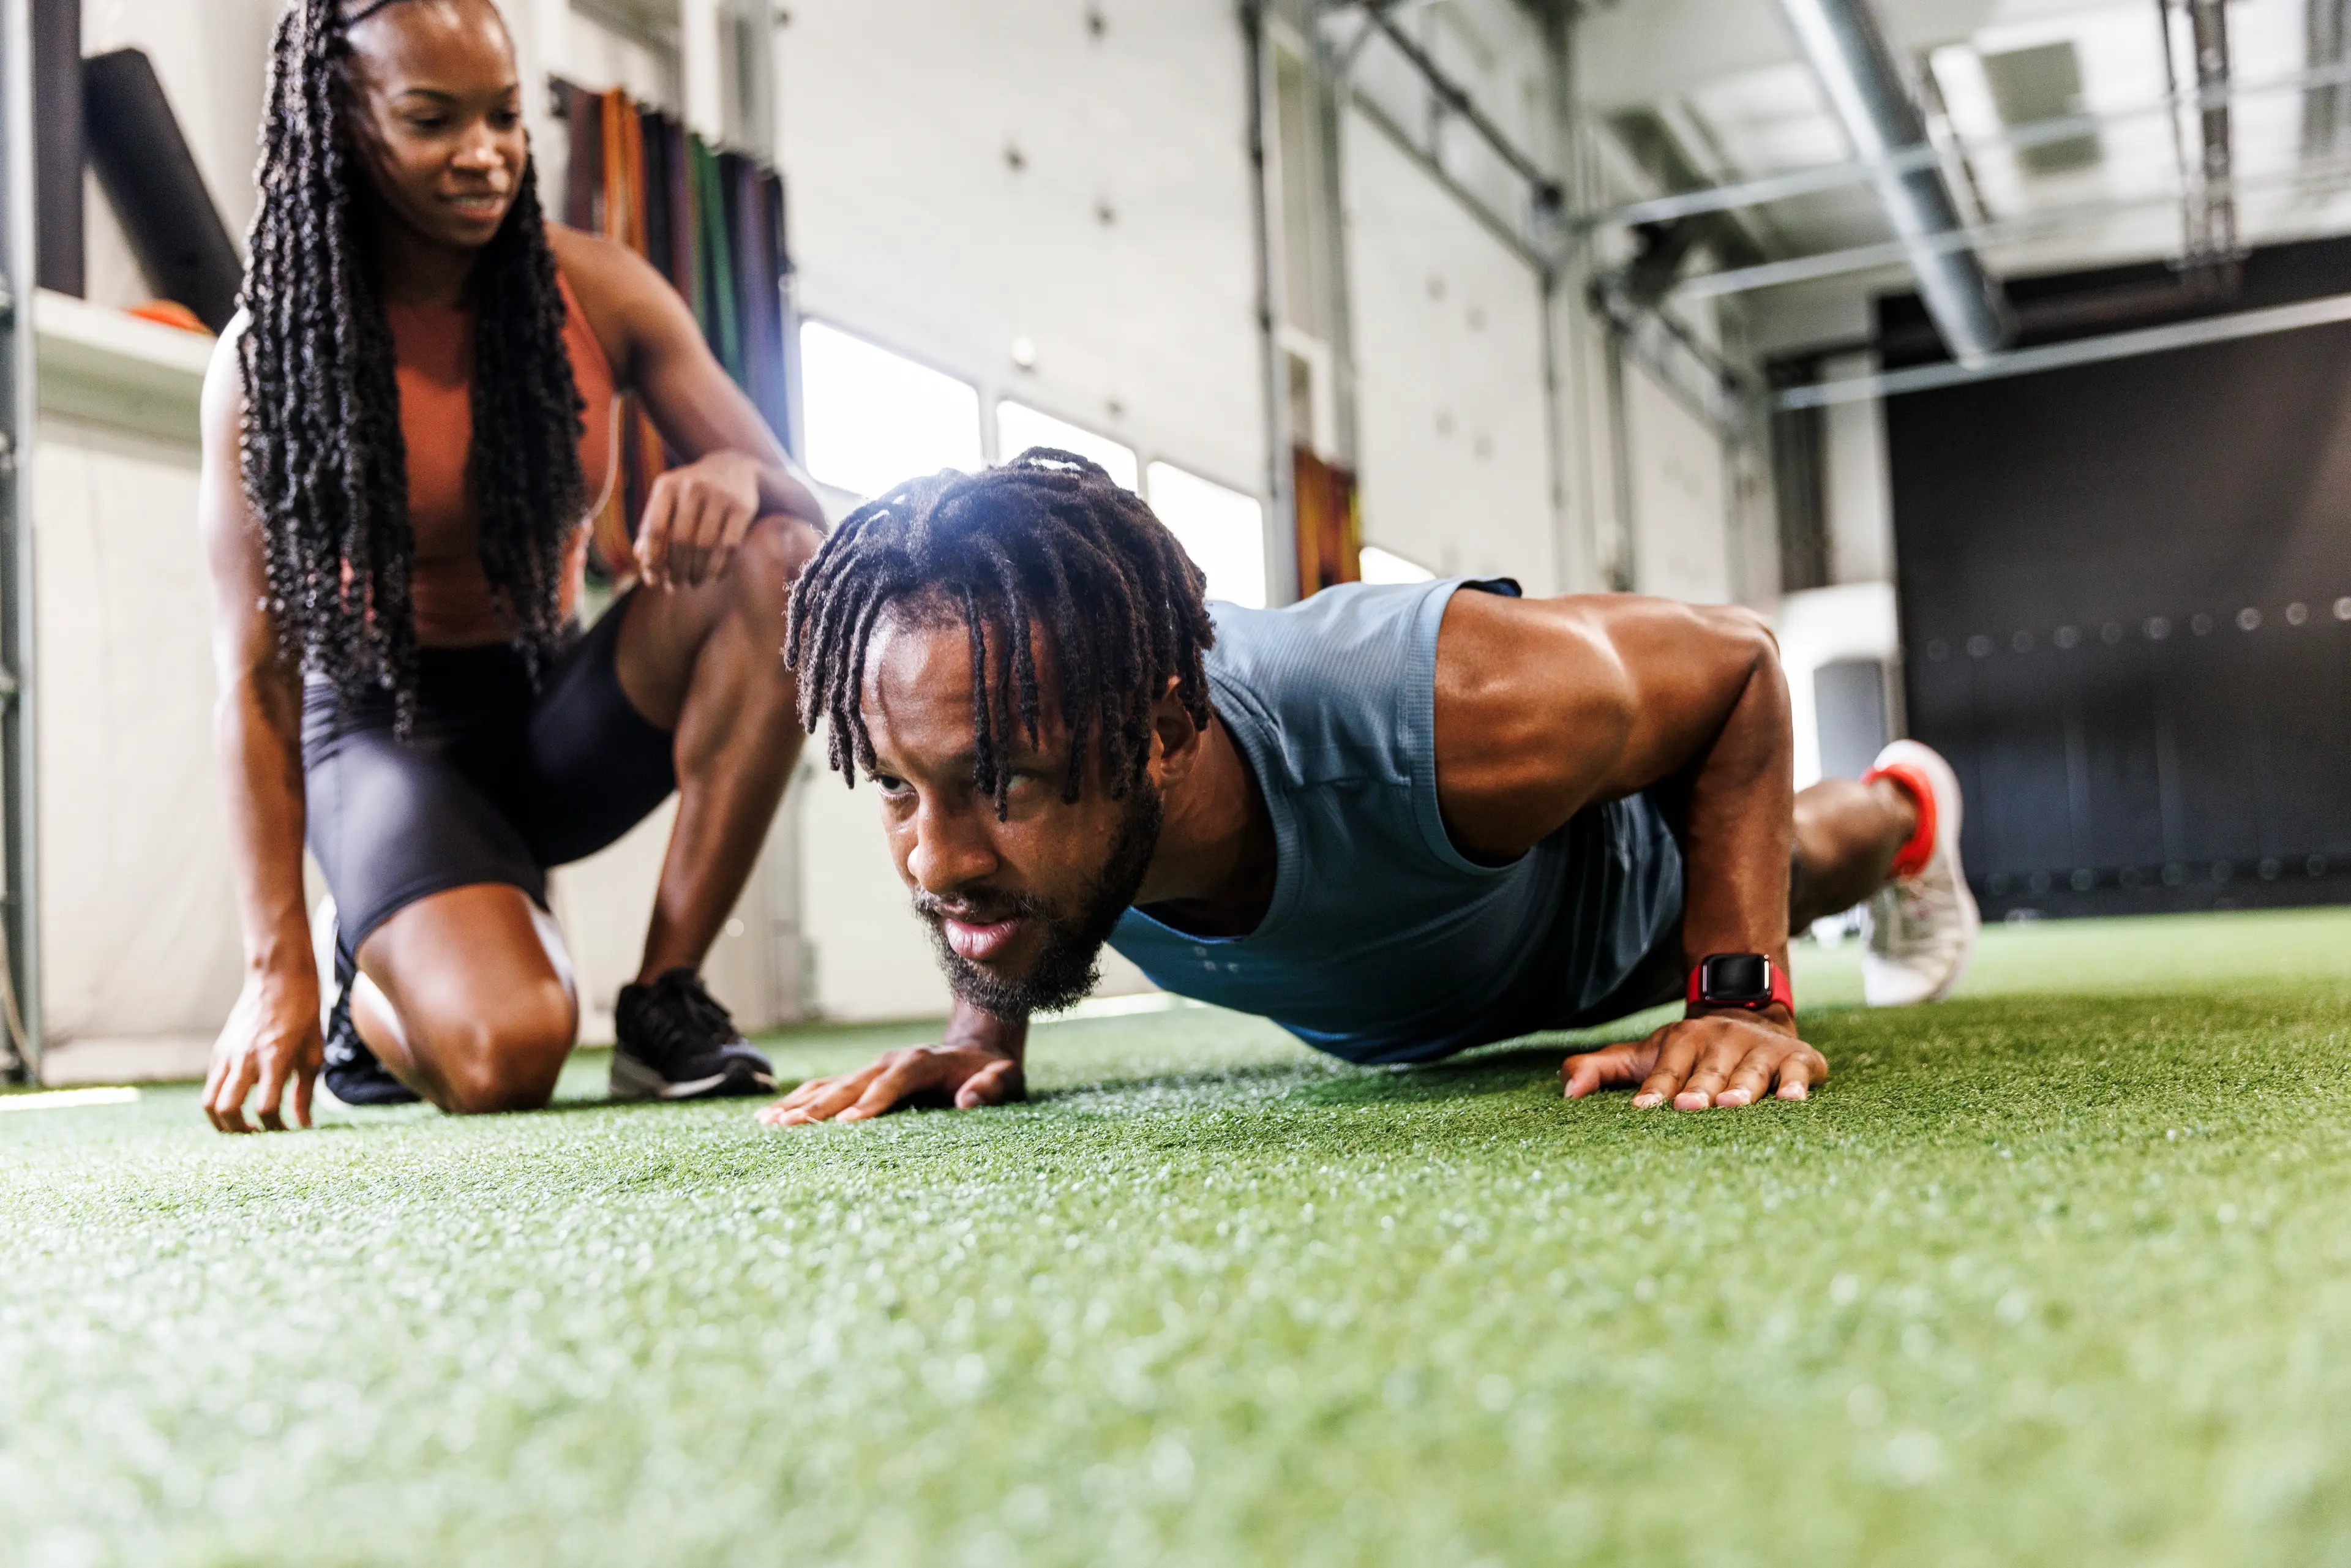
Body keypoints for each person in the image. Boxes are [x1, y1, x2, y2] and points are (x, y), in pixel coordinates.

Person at [757, 451, 1978, 1127]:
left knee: (1812, 854)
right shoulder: (1034, 778)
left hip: (1615, 912)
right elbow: (965, 813)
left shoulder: (1459, 710)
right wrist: (981, 1031)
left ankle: (1911, 812)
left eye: (1000, 783)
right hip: (1405, 999)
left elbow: (1739, 667)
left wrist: (1740, 994)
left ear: (1165, 728)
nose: (931, 856)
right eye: (898, 790)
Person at [198, 0, 826, 1131]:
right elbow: (256, 682)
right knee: (508, 1056)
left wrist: (738, 476)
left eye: (503, 117)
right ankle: (370, 971)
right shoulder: (267, 362)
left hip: (552, 712)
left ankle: (666, 998)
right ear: (343, 120)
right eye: (433, 120)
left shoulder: (601, 291)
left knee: (777, 558)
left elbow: (803, 508)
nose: (484, 153)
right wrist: (274, 962)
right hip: (388, 739)